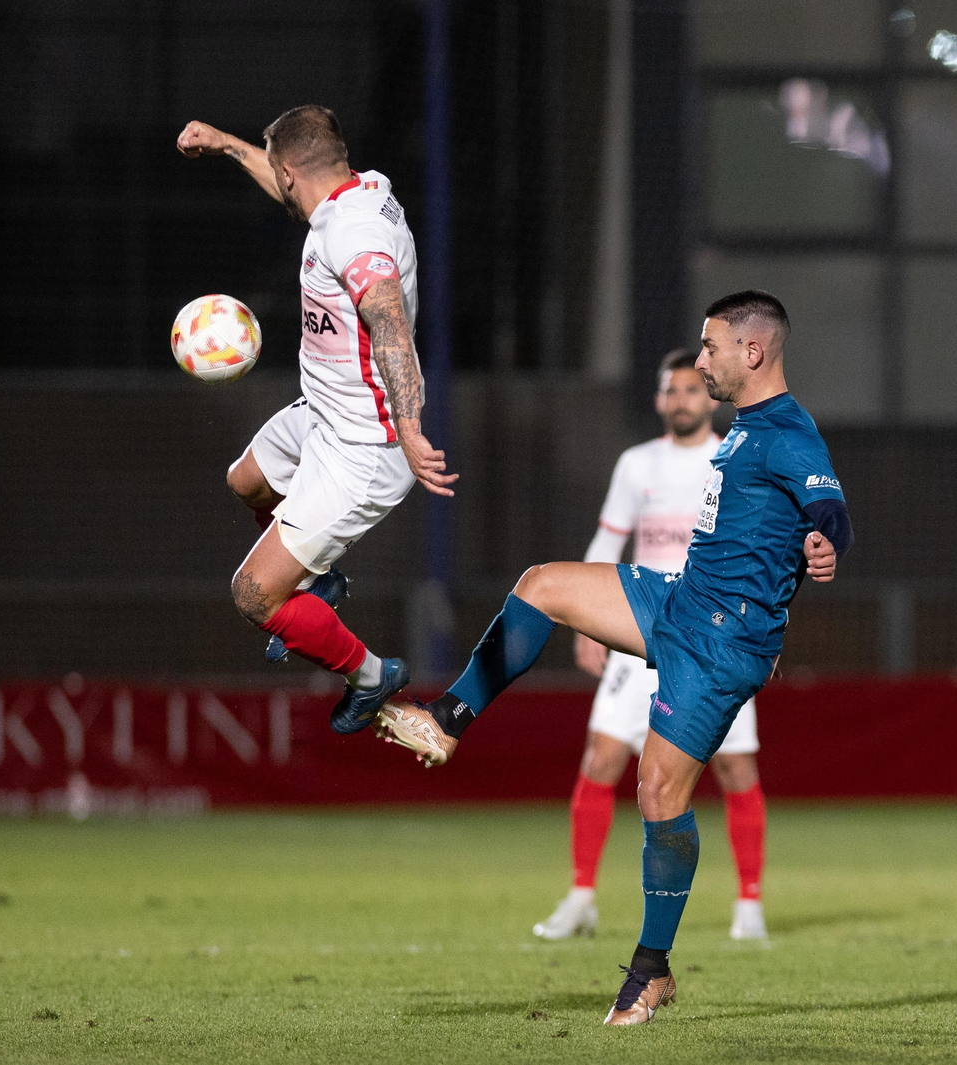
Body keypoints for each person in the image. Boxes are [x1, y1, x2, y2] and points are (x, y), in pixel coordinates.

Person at [375, 291, 852, 1025]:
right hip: (682, 600)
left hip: (722, 644)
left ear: (753, 351)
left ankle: (652, 968)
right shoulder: (742, 430)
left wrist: (825, 542)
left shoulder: (788, 431)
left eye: (711, 347)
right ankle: (447, 718)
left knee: (659, 793)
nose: (700, 361)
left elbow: (830, 508)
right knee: (540, 585)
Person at [176, 106, 456, 733]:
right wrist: (226, 143)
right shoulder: (356, 191)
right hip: (323, 413)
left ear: (290, 171)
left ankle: (369, 674)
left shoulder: (353, 234)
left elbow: (387, 322)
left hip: (364, 447)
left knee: (254, 593)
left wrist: (410, 427)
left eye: (275, 171)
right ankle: (321, 579)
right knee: (246, 481)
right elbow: (290, 175)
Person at [533, 350, 768, 945]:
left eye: (692, 389)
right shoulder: (637, 464)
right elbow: (607, 541)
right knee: (602, 758)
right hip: (640, 630)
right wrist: (588, 623)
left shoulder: (732, 458)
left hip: (714, 636)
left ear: (709, 397)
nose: (681, 399)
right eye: (672, 390)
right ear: (660, 399)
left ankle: (750, 903)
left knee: (735, 767)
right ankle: (582, 896)